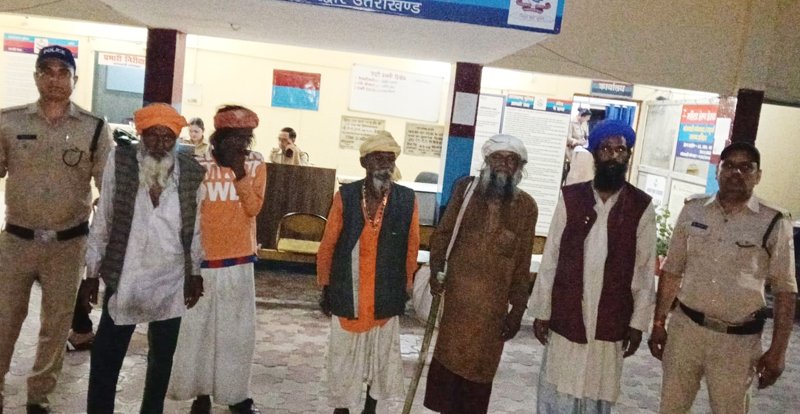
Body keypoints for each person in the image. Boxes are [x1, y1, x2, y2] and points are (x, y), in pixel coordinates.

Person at [0, 45, 113, 414]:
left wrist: (103, 242)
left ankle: (39, 397)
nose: (54, 79)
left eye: (62, 72)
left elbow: (108, 189)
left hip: (68, 243)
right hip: (16, 241)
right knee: (4, 319)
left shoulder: (94, 128)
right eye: (46, 71)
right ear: (36, 77)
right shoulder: (8, 122)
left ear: (74, 79)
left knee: (57, 324)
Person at [649, 141, 797, 413]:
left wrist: (778, 350)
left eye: (746, 167)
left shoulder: (774, 221)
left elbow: (785, 291)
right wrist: (658, 322)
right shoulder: (693, 209)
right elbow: (672, 271)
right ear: (718, 171)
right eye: (729, 165)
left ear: (758, 175)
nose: (736, 173)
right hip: (686, 332)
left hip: (737, 343)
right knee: (671, 407)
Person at [81, 103, 206, 414]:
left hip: (171, 276)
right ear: (141, 135)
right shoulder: (122, 161)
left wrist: (194, 272)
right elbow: (104, 218)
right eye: (153, 136)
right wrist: (91, 273)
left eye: (168, 138)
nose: (160, 144)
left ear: (176, 139)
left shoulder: (191, 171)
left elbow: (195, 227)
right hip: (127, 272)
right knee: (107, 356)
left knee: (162, 359)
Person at [529, 119, 656, 413]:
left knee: (598, 393)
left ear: (628, 155)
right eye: (606, 149)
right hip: (568, 312)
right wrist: (542, 311)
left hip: (611, 317)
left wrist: (638, 323)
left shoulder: (640, 206)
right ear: (596, 154)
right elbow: (551, 257)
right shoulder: (571, 198)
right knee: (559, 387)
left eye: (620, 150)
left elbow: (644, 269)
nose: (613, 156)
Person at [423, 134, 538, 414]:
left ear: (519, 168)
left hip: (491, 316)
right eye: (498, 158)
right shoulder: (465, 190)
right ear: (486, 161)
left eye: (511, 160)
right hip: (456, 309)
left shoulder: (526, 207)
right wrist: (436, 271)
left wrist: (517, 310)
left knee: (477, 386)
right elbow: (443, 236)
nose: (504, 165)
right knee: (446, 388)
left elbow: (522, 264)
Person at [168, 105, 266, 414]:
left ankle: (236, 395)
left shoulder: (255, 163)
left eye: (246, 138)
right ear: (219, 137)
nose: (242, 145)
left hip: (239, 261)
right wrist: (189, 265)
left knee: (236, 335)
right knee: (197, 333)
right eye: (235, 138)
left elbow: (253, 208)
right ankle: (201, 394)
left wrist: (240, 174)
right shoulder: (197, 162)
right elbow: (188, 215)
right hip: (203, 262)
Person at [316, 131, 419, 414]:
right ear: (364, 162)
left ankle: (370, 408)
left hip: (385, 292)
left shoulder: (406, 199)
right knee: (343, 357)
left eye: (389, 159)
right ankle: (342, 408)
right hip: (348, 291)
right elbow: (328, 244)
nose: (384, 165)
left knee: (380, 357)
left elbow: (412, 246)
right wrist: (325, 285)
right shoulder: (346, 196)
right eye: (378, 158)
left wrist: (407, 286)